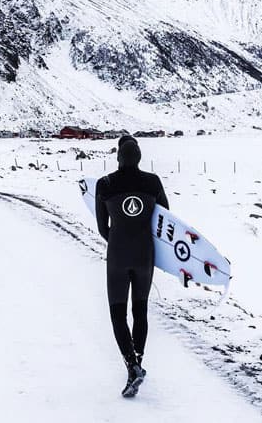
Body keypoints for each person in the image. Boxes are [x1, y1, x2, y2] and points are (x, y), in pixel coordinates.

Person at [95, 135, 169, 397]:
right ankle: (138, 359)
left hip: (117, 255)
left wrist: (119, 239)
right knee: (140, 310)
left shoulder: (105, 184)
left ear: (118, 156)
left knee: (118, 313)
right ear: (138, 157)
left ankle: (131, 365)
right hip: (144, 255)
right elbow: (164, 220)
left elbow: (103, 227)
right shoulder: (153, 182)